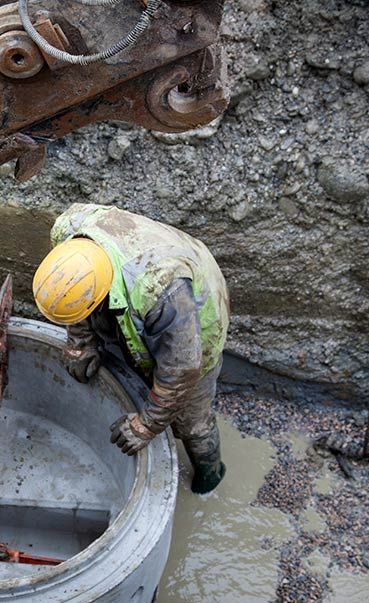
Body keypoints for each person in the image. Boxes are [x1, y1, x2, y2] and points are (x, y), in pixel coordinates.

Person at [32, 204, 230, 494]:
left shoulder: (160, 289)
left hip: (196, 324)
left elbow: (183, 368)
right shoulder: (69, 231)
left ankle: (209, 478)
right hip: (137, 290)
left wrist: (147, 425)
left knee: (192, 424)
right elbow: (71, 294)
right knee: (134, 356)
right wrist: (80, 342)